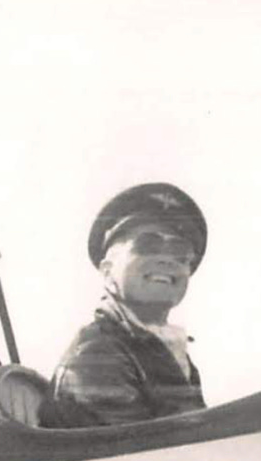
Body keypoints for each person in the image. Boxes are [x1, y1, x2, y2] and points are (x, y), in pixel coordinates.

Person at [50, 182, 209, 427]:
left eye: (180, 252)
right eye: (147, 245)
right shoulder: (95, 356)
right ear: (107, 271)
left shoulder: (166, 352)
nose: (166, 259)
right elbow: (148, 456)